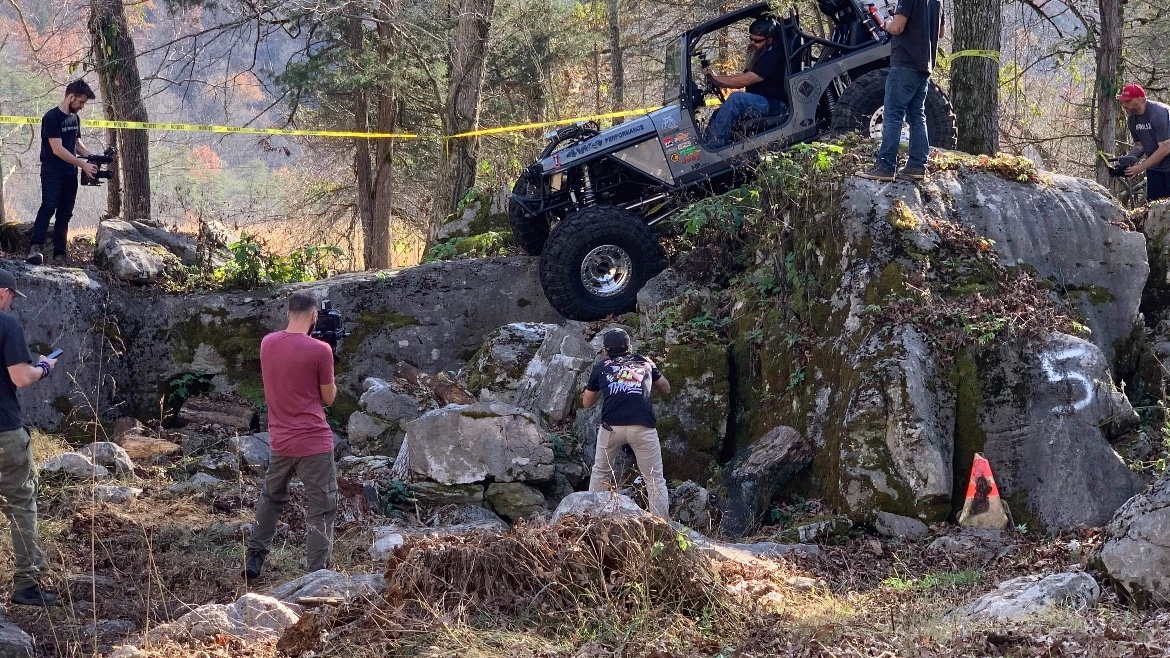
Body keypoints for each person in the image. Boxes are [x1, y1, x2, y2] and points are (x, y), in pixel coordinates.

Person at [244, 291, 337, 580]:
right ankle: (316, 574)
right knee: (321, 506)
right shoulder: (321, 350)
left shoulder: (267, 343)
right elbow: (328, 398)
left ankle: (254, 558)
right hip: (314, 442)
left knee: (271, 498)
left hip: (281, 440)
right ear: (314, 315)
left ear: (288, 313)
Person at [0, 268, 59, 606]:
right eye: (11, 296)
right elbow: (21, 377)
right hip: (4, 432)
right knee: (20, 505)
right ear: (2, 292)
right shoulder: (6, 325)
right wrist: (44, 368)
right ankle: (27, 585)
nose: (11, 303)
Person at [582, 329, 672, 521]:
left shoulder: (601, 367)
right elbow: (666, 387)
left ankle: (591, 521)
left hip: (611, 427)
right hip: (643, 426)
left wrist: (602, 388)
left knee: (601, 473)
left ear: (605, 350)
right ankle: (662, 528)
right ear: (629, 347)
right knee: (655, 480)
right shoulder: (645, 362)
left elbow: (587, 403)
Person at [858, 0, 944, 182]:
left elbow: (897, 28)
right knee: (917, 116)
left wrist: (886, 23)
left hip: (905, 63)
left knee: (893, 115)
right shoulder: (938, 1)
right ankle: (917, 166)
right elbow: (941, 32)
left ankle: (885, 167)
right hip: (925, 65)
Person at [28, 79, 99, 266]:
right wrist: (82, 165)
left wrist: (92, 157)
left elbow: (76, 143)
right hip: (52, 171)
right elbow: (58, 149)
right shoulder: (51, 117)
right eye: (81, 102)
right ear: (71, 97)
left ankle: (60, 254)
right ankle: (35, 248)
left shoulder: (75, 118)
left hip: (70, 172)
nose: (82, 106)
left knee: (65, 213)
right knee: (49, 206)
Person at [702, 18, 790, 149]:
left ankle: (713, 148)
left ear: (769, 40)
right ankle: (707, 148)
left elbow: (746, 80)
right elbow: (740, 82)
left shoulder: (775, 54)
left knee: (736, 99)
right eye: (751, 39)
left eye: (757, 41)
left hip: (775, 104)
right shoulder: (761, 54)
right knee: (718, 113)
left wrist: (717, 78)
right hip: (762, 102)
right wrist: (716, 80)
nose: (752, 43)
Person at [1117, 84, 1170, 202]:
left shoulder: (1159, 114)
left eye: (1128, 101)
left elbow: (1166, 147)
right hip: (1155, 168)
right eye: (1123, 101)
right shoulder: (1132, 119)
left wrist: (1140, 167)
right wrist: (1129, 159)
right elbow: (1140, 145)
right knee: (1154, 205)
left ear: (1140, 99)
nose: (1124, 105)